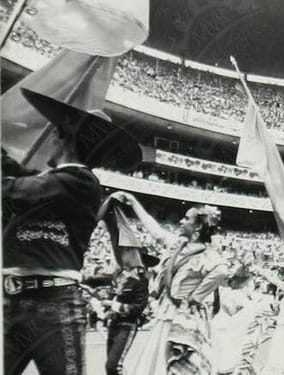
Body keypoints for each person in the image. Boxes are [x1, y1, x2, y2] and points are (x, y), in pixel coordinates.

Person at [3, 87, 139, 375]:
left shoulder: (81, 181)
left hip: (54, 306)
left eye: (54, 132)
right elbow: (18, 180)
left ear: (65, 139)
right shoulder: (55, 183)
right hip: (18, 301)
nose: (48, 139)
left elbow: (14, 189)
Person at [118, 192, 228, 375]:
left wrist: (196, 297)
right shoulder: (179, 246)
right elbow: (156, 232)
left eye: (186, 218)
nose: (181, 222)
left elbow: (222, 271)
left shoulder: (207, 255)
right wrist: (133, 202)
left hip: (184, 317)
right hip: (169, 314)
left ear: (198, 226)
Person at [103, 248, 158, 375]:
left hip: (127, 325)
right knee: (110, 367)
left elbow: (138, 307)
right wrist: (108, 309)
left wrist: (114, 306)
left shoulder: (142, 281)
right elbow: (112, 294)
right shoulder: (119, 275)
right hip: (114, 323)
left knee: (113, 365)